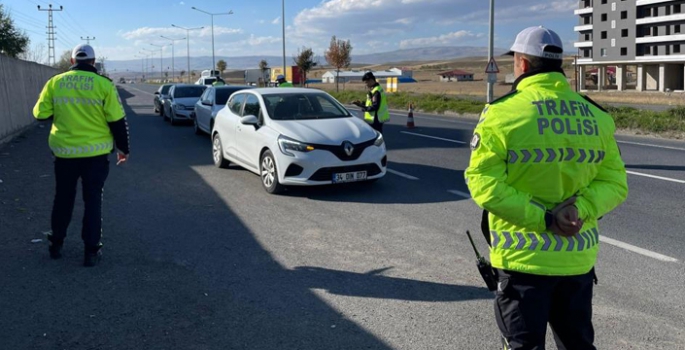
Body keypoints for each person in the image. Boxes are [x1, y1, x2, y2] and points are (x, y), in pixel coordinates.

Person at [465, 26, 628, 350]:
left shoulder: (502, 114)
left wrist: (544, 219)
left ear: (522, 64)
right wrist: (577, 210)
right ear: (559, 65)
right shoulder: (596, 116)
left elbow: (482, 182)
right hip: (577, 262)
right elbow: (615, 184)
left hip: (522, 263)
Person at [33, 44, 130, 267]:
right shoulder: (104, 84)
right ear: (94, 62)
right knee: (93, 201)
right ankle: (91, 251)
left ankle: (56, 244)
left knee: (63, 199)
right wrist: (123, 149)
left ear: (72, 61)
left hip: (64, 154)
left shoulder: (55, 83)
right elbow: (117, 121)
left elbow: (40, 114)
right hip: (95, 156)